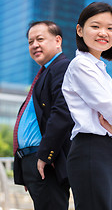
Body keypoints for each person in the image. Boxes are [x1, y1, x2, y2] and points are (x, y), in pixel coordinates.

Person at [62, 2, 112, 210]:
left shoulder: (100, 69)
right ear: (79, 30)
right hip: (90, 149)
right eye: (95, 26)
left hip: (105, 150)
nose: (104, 32)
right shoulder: (80, 66)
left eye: (110, 28)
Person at [13, 21, 74, 210]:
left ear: (57, 40)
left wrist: (45, 156)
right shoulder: (44, 73)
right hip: (34, 161)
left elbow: (63, 112)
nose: (34, 45)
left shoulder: (62, 67)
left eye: (40, 39)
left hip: (46, 161)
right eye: (30, 42)